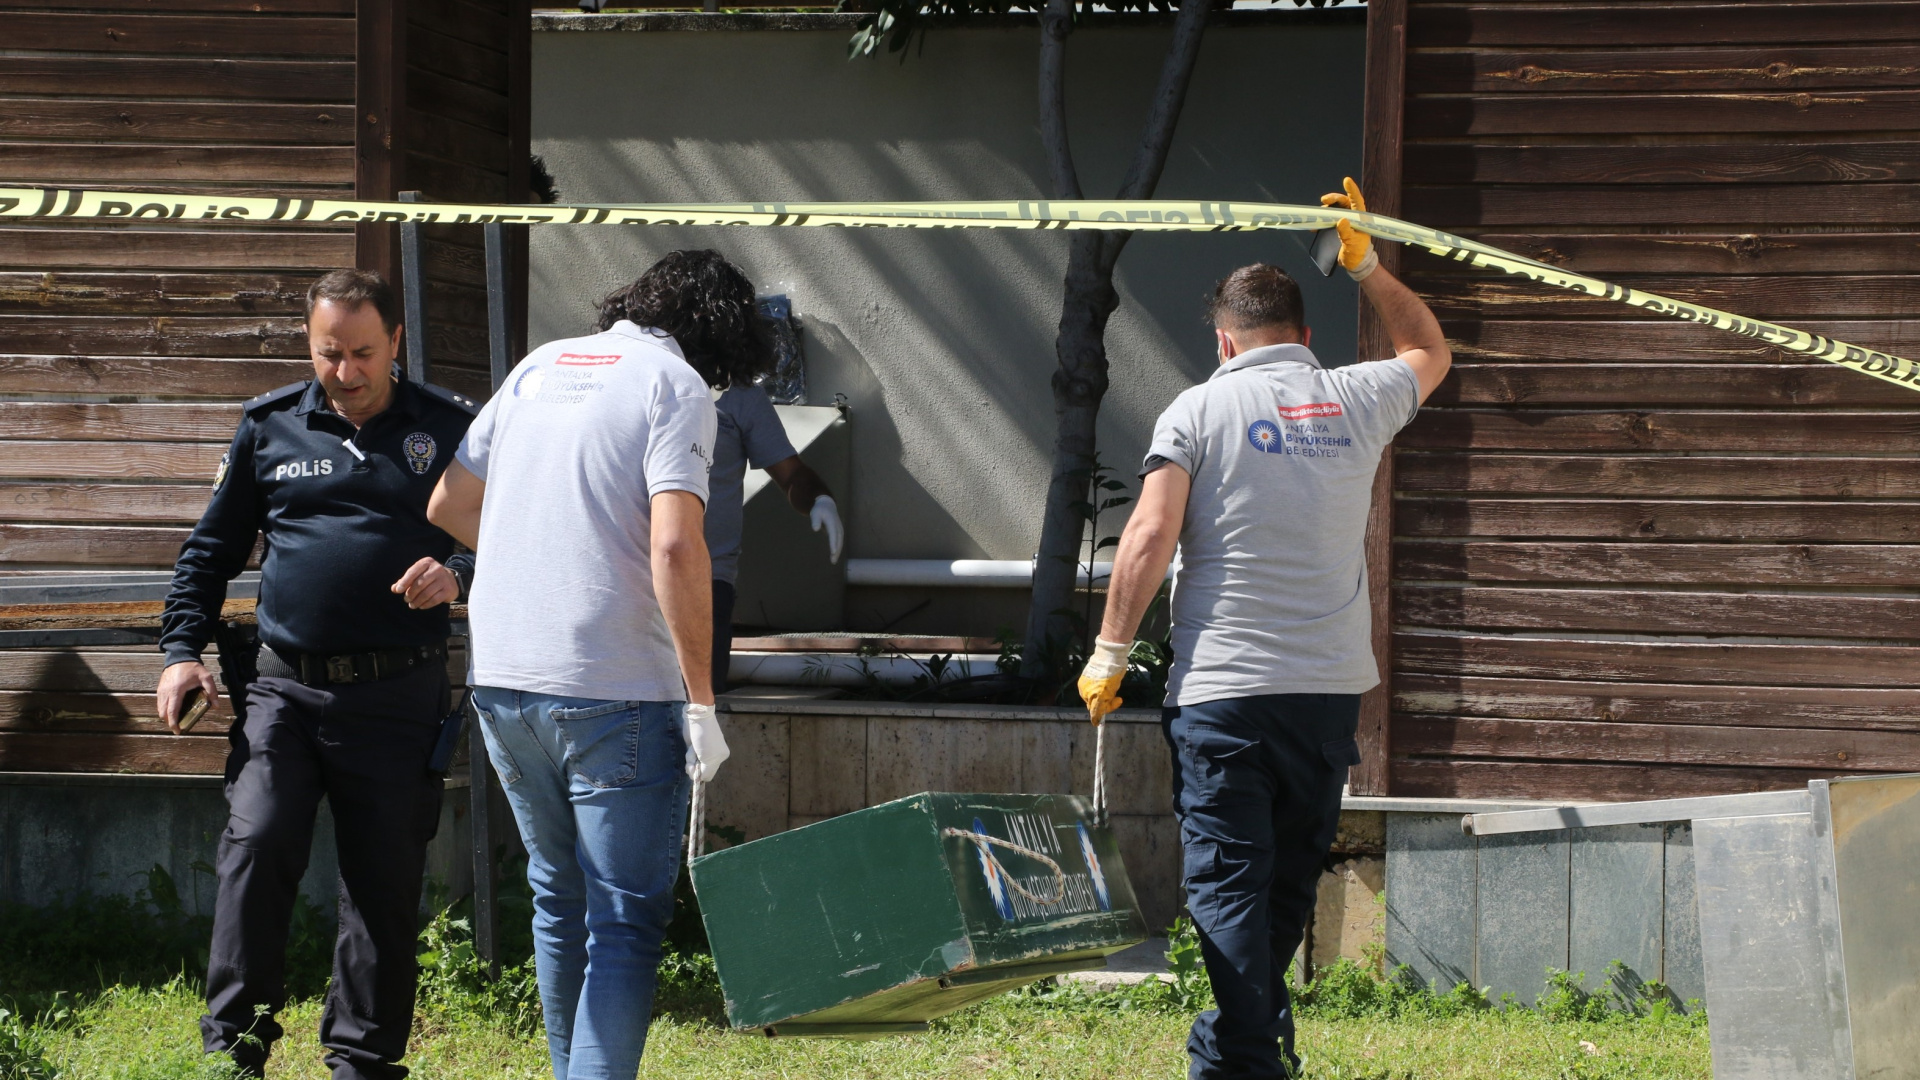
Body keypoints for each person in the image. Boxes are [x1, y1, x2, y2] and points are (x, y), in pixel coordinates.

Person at [1077, 179, 1451, 1080]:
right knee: (1281, 886)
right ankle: (1245, 1045)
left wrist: (1109, 651)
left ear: (1223, 341)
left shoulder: (1197, 409)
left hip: (1225, 695)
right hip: (1324, 695)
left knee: (1227, 885)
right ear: (1304, 336)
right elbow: (1428, 346)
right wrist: (1364, 262)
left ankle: (1240, 1056)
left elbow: (1149, 534)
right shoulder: (1357, 397)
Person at [426, 249, 771, 1079]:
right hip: (614, 686)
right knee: (623, 921)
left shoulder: (538, 367)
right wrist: (701, 701)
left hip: (503, 677)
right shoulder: (674, 384)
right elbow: (677, 547)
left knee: (558, 900)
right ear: (720, 334)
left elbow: (446, 504)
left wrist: (542, 558)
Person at [156, 268, 480, 1080]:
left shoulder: (446, 428)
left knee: (382, 883)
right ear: (310, 345)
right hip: (284, 689)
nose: (348, 372)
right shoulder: (269, 426)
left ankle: (363, 1062)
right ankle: (235, 1050)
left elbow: (507, 530)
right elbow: (208, 554)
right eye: (329, 354)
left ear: (395, 342)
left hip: (396, 690)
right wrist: (181, 653)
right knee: (256, 845)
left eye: (364, 353)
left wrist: (460, 573)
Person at [704, 382, 843, 696]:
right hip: (629, 580)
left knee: (693, 715)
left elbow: (791, 474)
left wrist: (821, 499)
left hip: (706, 584)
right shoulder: (638, 376)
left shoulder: (738, 395)